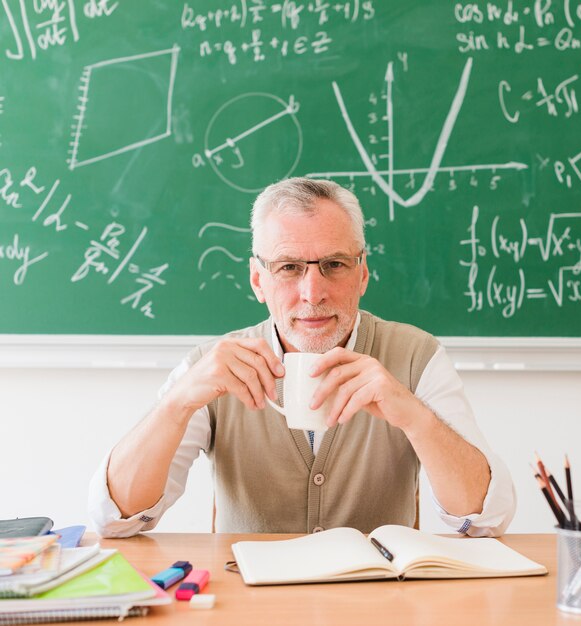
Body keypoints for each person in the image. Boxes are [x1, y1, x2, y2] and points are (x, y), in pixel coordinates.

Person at [89, 178, 515, 538]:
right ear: (258, 279)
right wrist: (176, 403)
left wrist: (414, 417)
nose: (313, 293)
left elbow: (487, 519)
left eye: (334, 264)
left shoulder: (416, 356)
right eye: (289, 267)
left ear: (362, 273)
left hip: (377, 607)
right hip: (251, 607)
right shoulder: (213, 364)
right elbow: (114, 518)